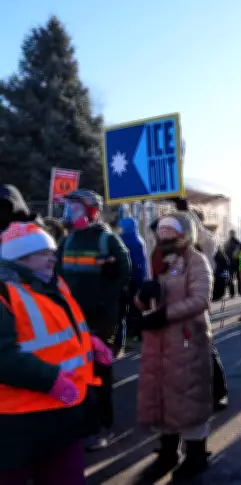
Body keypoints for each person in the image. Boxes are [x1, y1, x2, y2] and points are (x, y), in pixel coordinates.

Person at [0, 222, 113, 484]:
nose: (53, 257)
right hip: (17, 422)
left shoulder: (54, 283)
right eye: (44, 253)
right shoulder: (5, 293)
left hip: (64, 413)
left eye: (52, 251)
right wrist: (50, 380)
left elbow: (62, 329)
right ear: (20, 257)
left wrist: (90, 342)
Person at [135, 212, 214, 480]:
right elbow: (144, 301)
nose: (165, 235)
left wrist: (165, 315)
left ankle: (196, 455)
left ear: (184, 233)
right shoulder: (155, 260)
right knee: (162, 395)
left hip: (185, 339)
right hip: (157, 342)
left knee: (187, 395)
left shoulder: (195, 259)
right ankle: (168, 452)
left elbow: (201, 299)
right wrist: (142, 297)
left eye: (171, 230)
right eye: (162, 230)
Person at [56, 189, 131, 450]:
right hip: (72, 317)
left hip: (100, 318)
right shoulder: (67, 240)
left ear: (92, 211)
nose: (70, 214)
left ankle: (102, 426)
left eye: (75, 208)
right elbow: (56, 274)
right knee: (75, 368)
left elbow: (125, 273)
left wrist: (102, 298)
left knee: (99, 371)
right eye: (69, 208)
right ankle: (81, 422)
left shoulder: (107, 239)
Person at [116, 217, 147, 354]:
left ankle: (131, 337)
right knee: (136, 309)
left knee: (127, 310)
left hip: (128, 280)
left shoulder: (124, 241)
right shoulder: (138, 240)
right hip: (137, 279)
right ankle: (138, 336)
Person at [224, 229, 241, 297]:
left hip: (231, 263)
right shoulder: (238, 243)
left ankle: (232, 293)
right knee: (237, 278)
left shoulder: (227, 243)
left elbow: (225, 253)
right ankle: (239, 291)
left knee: (231, 278)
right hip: (237, 263)